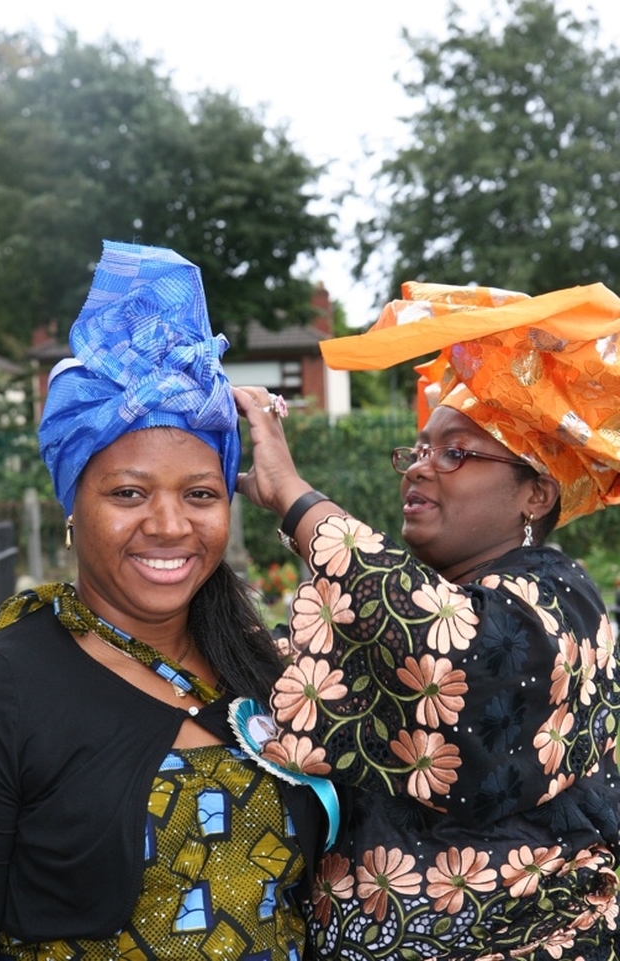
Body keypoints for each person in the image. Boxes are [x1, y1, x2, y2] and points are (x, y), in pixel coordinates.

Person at [233, 280, 620, 960]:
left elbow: (455, 652)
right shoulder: (415, 600)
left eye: (456, 452)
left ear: (535, 492)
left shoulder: (562, 598)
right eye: (416, 451)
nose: (419, 468)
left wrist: (296, 500)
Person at [0, 241, 329, 960]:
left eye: (201, 494)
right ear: (73, 503)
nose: (170, 525)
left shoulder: (261, 668)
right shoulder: (2, 686)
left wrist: (294, 498)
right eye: (129, 492)